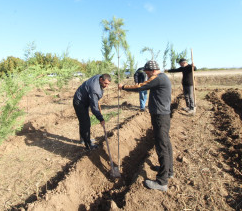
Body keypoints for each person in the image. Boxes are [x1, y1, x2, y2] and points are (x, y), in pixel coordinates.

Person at [119, 60, 173, 191]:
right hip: (162, 115)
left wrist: (123, 87)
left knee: (162, 146)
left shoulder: (157, 78)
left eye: (147, 72)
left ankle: (162, 182)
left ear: (153, 70)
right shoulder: (162, 77)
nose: (146, 74)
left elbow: (140, 87)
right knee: (165, 143)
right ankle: (168, 170)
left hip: (160, 116)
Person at [73, 74, 111, 151]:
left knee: (83, 121)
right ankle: (88, 145)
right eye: (105, 83)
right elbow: (94, 108)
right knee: (86, 123)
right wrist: (101, 119)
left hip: (84, 98)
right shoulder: (95, 89)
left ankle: (83, 139)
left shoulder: (100, 77)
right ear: (101, 79)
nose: (106, 86)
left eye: (108, 84)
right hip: (80, 102)